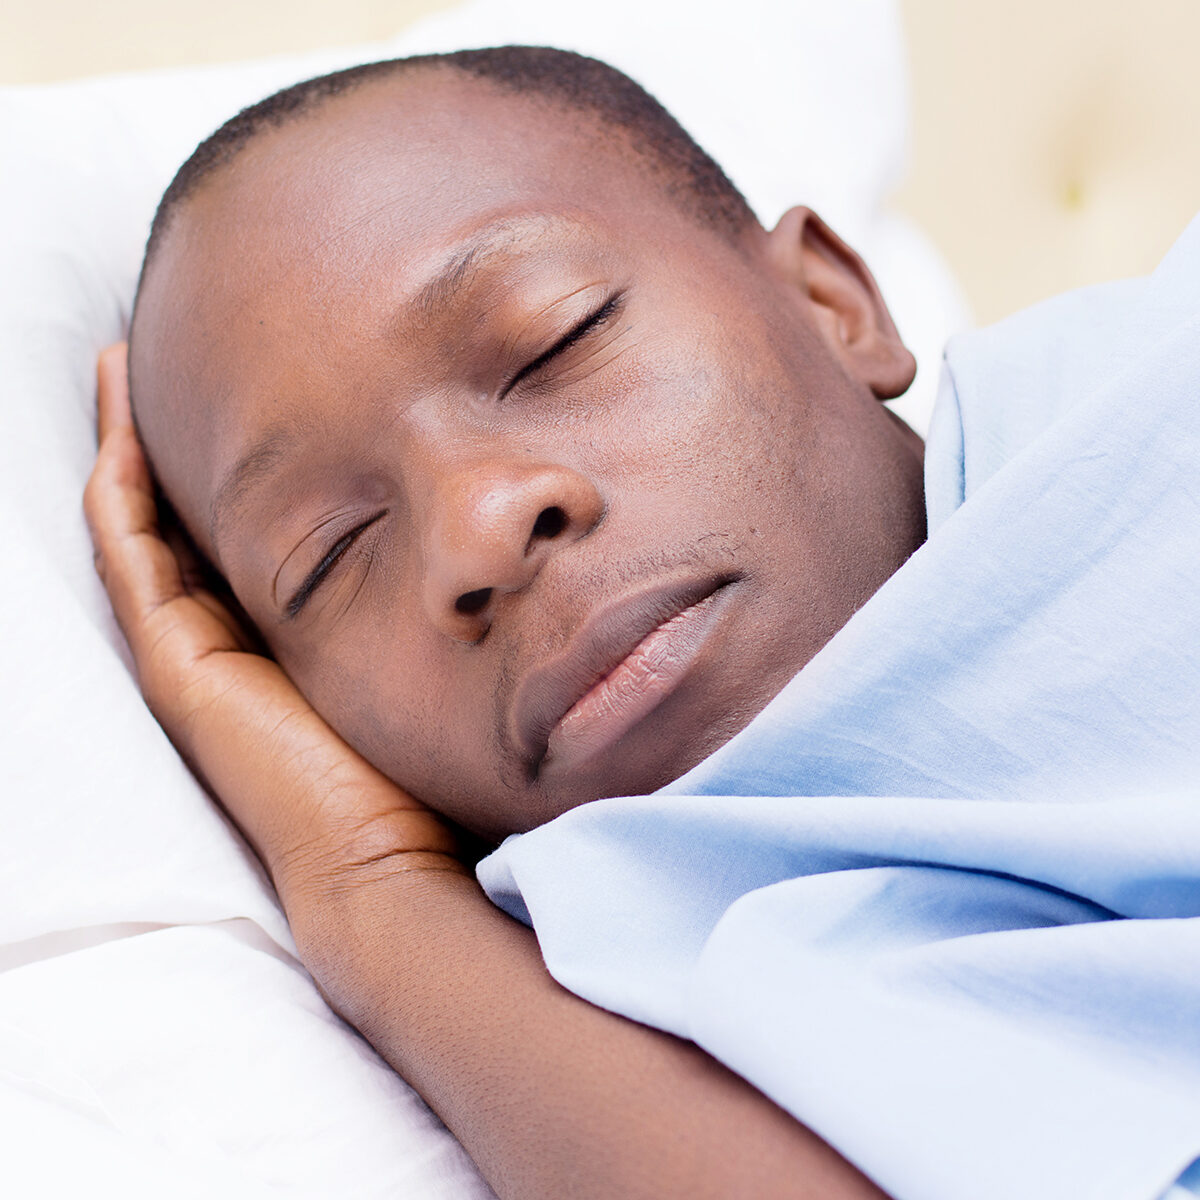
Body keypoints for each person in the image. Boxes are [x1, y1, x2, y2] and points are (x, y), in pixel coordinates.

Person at [85, 47, 1200, 1200]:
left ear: (832, 300)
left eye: (556, 340)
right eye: (329, 552)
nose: (479, 526)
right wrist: (369, 887)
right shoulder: (601, 970)